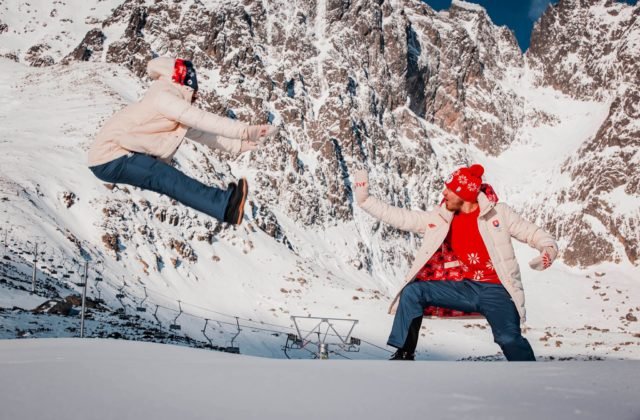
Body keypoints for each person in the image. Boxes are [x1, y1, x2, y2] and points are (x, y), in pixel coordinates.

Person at [353, 164, 558, 361]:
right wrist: (365, 200)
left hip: (498, 290)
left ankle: (531, 374)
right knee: (413, 292)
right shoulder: (443, 218)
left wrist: (548, 249)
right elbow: (402, 218)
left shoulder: (499, 214)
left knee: (508, 338)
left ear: (464, 194)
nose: (444, 193)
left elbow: (532, 233)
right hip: (466, 288)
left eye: (449, 190)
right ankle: (404, 353)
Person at [88, 57, 277, 225]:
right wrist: (244, 131)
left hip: (115, 156)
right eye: (195, 87)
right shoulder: (164, 98)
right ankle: (226, 206)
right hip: (110, 156)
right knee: (165, 178)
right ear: (184, 82)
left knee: (166, 178)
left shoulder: (168, 101)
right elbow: (200, 119)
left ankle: (225, 205)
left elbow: (200, 133)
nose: (197, 94)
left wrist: (239, 145)